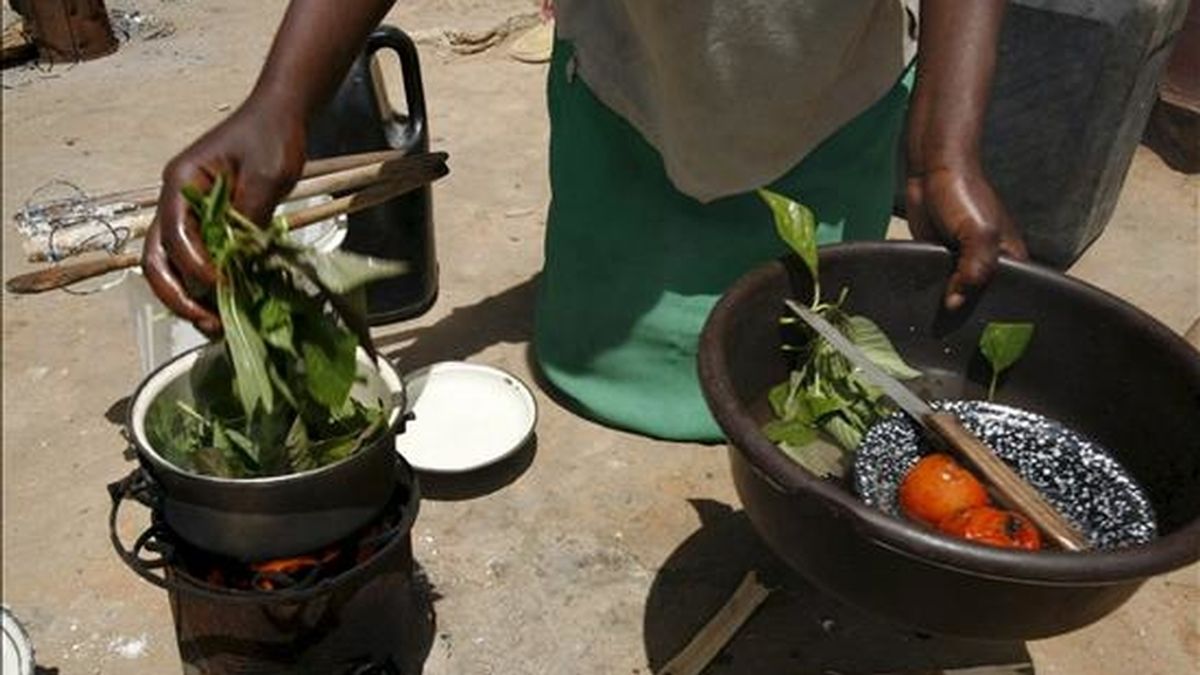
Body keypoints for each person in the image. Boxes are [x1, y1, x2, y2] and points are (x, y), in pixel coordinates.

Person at [144, 1, 1028, 442]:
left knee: (797, 401)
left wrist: (941, 152)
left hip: (830, 107)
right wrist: (282, 101)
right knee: (587, 363)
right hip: (626, 102)